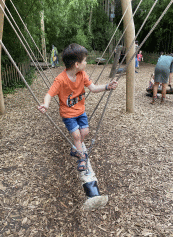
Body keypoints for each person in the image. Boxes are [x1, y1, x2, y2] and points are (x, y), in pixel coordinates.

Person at [38, 43, 118, 171]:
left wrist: (107, 86)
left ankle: (76, 148)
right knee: (76, 136)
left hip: (81, 112)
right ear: (77, 64)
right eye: (85, 60)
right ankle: (82, 157)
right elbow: (49, 94)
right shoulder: (60, 80)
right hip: (68, 114)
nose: (86, 63)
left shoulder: (82, 74)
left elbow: (93, 88)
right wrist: (45, 105)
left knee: (85, 132)